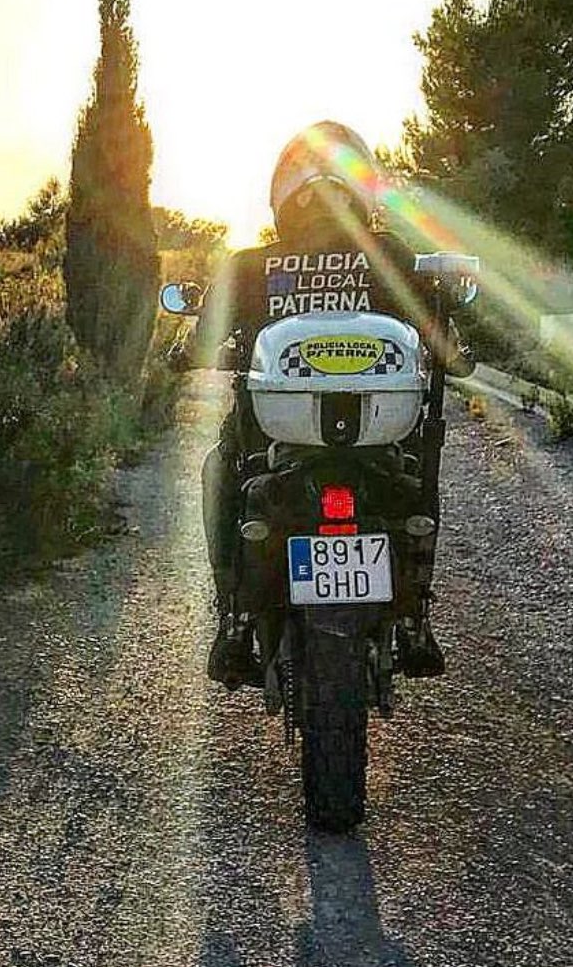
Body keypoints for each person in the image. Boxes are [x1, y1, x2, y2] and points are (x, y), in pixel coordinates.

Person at [171, 121, 471, 687]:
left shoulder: (251, 265)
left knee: (220, 469)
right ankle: (415, 620)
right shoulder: (393, 256)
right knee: (418, 477)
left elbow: (201, 339)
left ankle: (232, 621)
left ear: (284, 194)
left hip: (278, 451)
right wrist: (455, 356)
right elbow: (442, 341)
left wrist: (182, 355)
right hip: (381, 447)